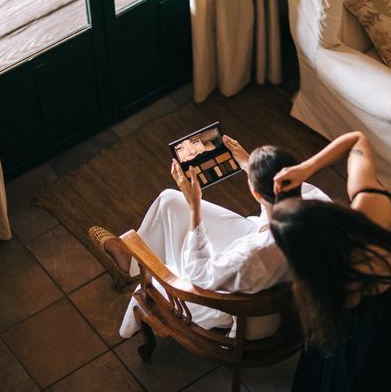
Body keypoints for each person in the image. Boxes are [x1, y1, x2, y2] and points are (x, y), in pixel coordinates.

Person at [88, 135, 330, 339]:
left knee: (183, 221)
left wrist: (195, 207)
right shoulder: (319, 205)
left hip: (244, 308)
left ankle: (136, 261)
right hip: (266, 258)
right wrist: (250, 165)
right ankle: (131, 262)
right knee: (171, 200)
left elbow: (199, 275)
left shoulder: (250, 256)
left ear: (255, 193)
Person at [270, 131, 391, 392]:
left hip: (372, 324)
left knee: (355, 386)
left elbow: (332, 324)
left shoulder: (344, 282)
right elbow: (357, 139)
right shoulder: (369, 200)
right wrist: (304, 169)